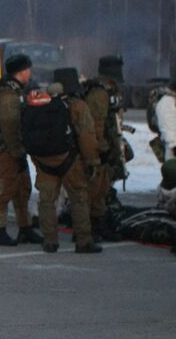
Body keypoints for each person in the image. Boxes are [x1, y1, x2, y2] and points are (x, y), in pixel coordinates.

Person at [31, 69, 101, 254]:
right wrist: (92, 161)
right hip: (70, 160)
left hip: (44, 161)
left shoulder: (42, 103)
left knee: (47, 201)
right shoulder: (78, 106)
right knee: (79, 198)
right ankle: (83, 241)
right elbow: (87, 136)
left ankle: (49, 241)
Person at [0, 53, 42, 246]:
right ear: (21, 71)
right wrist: (17, 152)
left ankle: (25, 228)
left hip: (14, 149)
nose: (30, 73)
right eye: (28, 69)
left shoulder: (15, 91)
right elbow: (9, 127)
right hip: (6, 150)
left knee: (22, 188)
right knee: (4, 190)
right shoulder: (8, 95)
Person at [83, 55, 129, 241]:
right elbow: (97, 125)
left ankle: (98, 225)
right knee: (94, 189)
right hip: (98, 148)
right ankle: (88, 229)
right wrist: (101, 148)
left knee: (102, 189)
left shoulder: (107, 90)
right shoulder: (100, 93)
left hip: (106, 146)